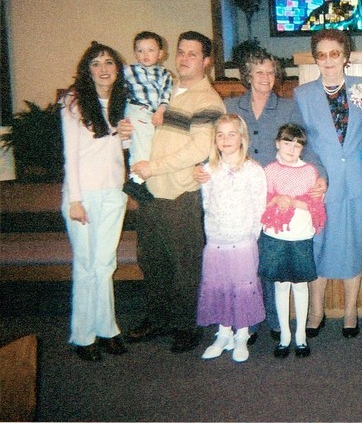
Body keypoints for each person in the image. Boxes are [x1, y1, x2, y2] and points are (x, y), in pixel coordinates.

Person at [194, 48, 326, 345]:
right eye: (259, 72)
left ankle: (276, 322)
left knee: (267, 260)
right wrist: (201, 167)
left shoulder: (288, 107)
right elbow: (216, 140)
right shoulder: (231, 104)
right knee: (244, 261)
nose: (265, 77)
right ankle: (248, 323)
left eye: (270, 72)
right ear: (248, 76)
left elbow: (306, 144)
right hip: (238, 193)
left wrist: (321, 177)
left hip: (275, 194)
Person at [125, 31, 225, 354]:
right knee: (152, 260)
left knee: (185, 264)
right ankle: (158, 318)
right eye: (181, 52)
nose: (184, 58)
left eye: (192, 54)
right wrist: (125, 130)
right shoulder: (164, 88)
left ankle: (185, 325)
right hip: (150, 192)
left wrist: (154, 167)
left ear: (206, 61)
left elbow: (199, 147)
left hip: (179, 193)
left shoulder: (207, 99)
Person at [294, 29, 362, 339]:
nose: (328, 60)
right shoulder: (303, 94)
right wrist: (317, 171)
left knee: (354, 243)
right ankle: (317, 310)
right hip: (320, 182)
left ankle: (351, 310)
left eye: (334, 53)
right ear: (316, 59)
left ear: (345, 57)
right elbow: (301, 141)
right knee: (319, 245)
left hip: (357, 179)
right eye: (321, 55)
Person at [60, 41, 132, 361]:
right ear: (87, 70)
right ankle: (82, 335)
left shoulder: (121, 101)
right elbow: (71, 156)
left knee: (105, 264)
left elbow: (120, 149)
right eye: (96, 63)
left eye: (109, 62)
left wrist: (127, 136)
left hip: (113, 193)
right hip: (84, 195)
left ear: (117, 68)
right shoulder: (73, 103)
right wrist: (75, 200)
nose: (104, 69)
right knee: (87, 265)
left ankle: (107, 329)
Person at [197, 114, 267, 363]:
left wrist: (250, 235)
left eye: (231, 134)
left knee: (241, 287)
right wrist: (213, 231)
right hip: (216, 240)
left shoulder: (253, 170)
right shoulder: (208, 170)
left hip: (243, 240)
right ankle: (224, 333)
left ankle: (242, 335)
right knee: (220, 286)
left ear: (242, 138)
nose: (225, 139)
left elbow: (259, 207)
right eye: (220, 134)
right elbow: (207, 203)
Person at [259, 124, 326, 358]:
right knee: (280, 285)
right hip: (276, 236)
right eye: (287, 143)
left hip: (300, 235)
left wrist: (294, 202)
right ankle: (284, 336)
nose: (291, 149)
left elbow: (316, 205)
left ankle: (301, 336)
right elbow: (260, 201)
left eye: (297, 145)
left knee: (300, 285)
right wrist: (276, 200)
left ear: (303, 149)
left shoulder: (309, 171)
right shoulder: (269, 170)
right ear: (277, 143)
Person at [121, 31, 173, 204]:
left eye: (150, 50)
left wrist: (160, 111)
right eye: (140, 50)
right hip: (136, 109)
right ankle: (136, 181)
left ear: (160, 53)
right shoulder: (129, 71)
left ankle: (137, 180)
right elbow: (117, 90)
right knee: (142, 145)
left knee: (148, 145)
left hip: (153, 113)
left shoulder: (165, 74)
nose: (145, 54)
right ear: (135, 53)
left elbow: (166, 95)